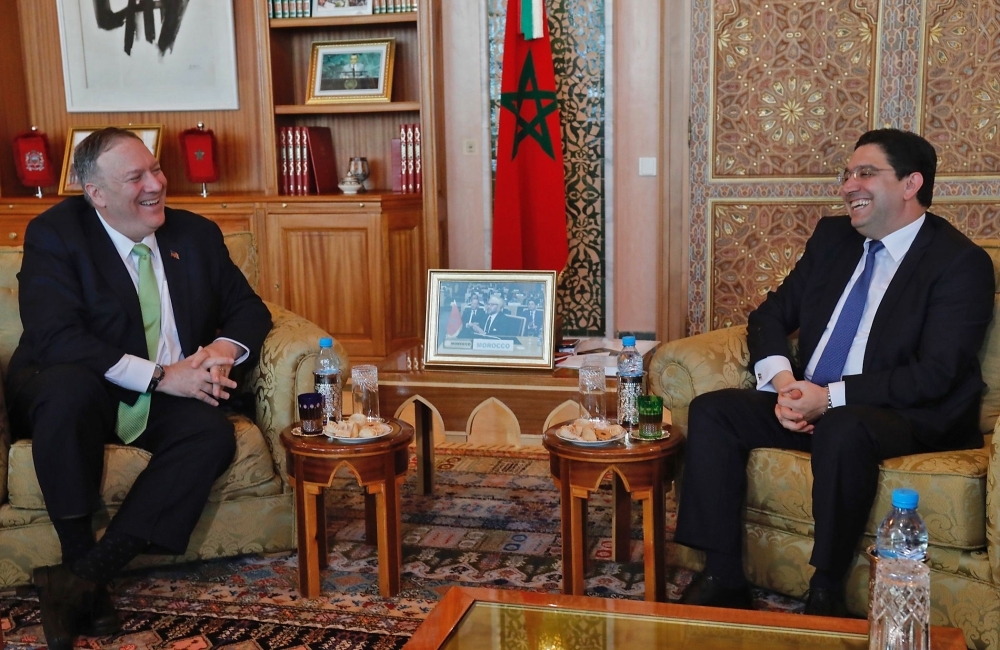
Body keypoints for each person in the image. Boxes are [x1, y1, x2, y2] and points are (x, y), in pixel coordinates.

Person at [674, 129, 994, 616]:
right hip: (816, 397)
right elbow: (770, 316)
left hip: (906, 413)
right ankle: (722, 574)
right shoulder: (833, 238)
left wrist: (832, 398)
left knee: (844, 428)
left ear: (911, 184)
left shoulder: (960, 262)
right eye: (846, 174)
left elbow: (937, 373)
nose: (848, 185)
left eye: (865, 173)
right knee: (714, 411)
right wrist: (787, 387)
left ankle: (825, 590)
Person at [6, 128, 273, 649]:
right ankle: (77, 551)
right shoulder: (55, 234)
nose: (155, 185)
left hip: (162, 393)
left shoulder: (194, 234)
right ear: (96, 193)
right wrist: (159, 375)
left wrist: (221, 351)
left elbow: (248, 310)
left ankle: (84, 577)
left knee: (210, 435)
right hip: (79, 384)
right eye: (136, 177)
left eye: (157, 170)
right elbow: (54, 335)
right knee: (67, 392)